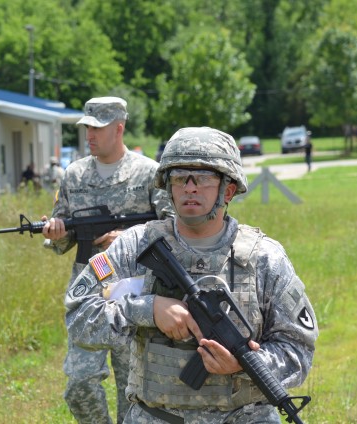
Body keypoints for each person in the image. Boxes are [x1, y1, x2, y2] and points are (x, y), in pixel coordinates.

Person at [64, 126, 318, 423]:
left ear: (229, 189)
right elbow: (79, 319)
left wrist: (242, 364)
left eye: (204, 178)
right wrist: (148, 309)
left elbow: (298, 349)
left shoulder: (265, 258)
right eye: (180, 178)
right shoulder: (133, 247)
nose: (190, 187)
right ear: (168, 188)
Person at [42, 96, 173, 424]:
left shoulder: (148, 173)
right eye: (86, 128)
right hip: (88, 294)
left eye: (97, 128)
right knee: (79, 384)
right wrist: (57, 235)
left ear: (119, 128)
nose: (89, 135)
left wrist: (129, 238)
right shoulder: (74, 175)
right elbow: (65, 233)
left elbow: (172, 226)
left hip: (135, 291)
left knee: (134, 389)